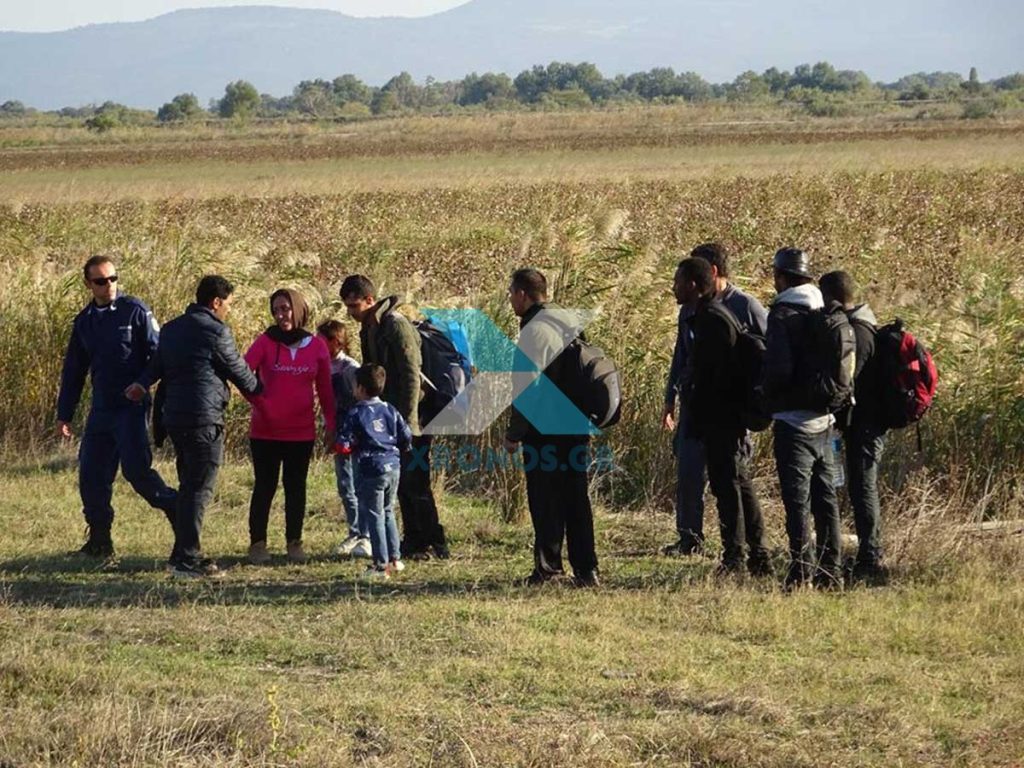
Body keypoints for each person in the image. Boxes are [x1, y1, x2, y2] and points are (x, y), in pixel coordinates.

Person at [126, 275, 261, 578]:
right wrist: (261, 388)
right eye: (227, 304)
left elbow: (156, 367)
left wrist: (140, 384)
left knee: (189, 485)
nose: (227, 310)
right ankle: (186, 559)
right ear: (215, 302)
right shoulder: (216, 330)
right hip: (204, 417)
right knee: (199, 488)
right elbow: (238, 371)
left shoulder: (172, 329)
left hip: (174, 417)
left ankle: (182, 553)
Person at [57, 254, 178, 559]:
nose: (108, 285)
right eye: (100, 281)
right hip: (101, 409)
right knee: (91, 476)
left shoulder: (134, 311)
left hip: (131, 408)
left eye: (113, 278)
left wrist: (142, 384)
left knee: (137, 472)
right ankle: (99, 542)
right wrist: (64, 414)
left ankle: (181, 516)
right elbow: (74, 370)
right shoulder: (84, 322)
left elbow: (159, 354)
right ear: (89, 284)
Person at [662, 243, 767, 556]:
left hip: (725, 414)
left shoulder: (740, 308)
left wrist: (751, 403)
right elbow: (682, 357)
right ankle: (689, 539)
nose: (673, 288)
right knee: (689, 473)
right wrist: (671, 397)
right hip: (697, 410)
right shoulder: (691, 312)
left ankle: (745, 551)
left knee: (733, 483)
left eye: (680, 279)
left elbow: (762, 356)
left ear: (710, 273)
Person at [339, 275, 449, 560]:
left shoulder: (395, 325)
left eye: (355, 305)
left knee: (416, 480)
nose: (351, 312)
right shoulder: (369, 328)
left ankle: (432, 542)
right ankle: (414, 539)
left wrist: (409, 424)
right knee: (402, 484)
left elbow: (412, 374)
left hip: (415, 415)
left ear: (370, 300)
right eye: (348, 307)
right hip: (390, 416)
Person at [503, 268, 600, 587]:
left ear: (522, 294)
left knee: (545, 501)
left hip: (544, 430)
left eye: (512, 294)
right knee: (576, 499)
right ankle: (587, 570)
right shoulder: (568, 322)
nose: (511, 301)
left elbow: (525, 387)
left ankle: (548, 570)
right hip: (575, 425)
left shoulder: (534, 331)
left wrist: (514, 433)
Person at [763, 247, 843, 589]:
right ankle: (832, 573)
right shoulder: (824, 308)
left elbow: (779, 368)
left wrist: (763, 391)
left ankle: (799, 575)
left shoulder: (782, 314)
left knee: (797, 504)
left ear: (782, 277)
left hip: (793, 423)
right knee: (827, 500)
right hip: (826, 421)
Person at [243, 289, 335, 565]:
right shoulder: (265, 342)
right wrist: (262, 403)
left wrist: (332, 424)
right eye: (276, 310)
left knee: (296, 487)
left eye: (286, 308)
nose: (281, 315)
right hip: (265, 430)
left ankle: (294, 541)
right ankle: (257, 543)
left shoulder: (317, 346)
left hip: (300, 432)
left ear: (298, 309)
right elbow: (242, 374)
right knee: (264, 486)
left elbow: (326, 390)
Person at [819, 270, 887, 583]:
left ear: (831, 297)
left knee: (863, 488)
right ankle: (864, 553)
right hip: (862, 424)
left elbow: (847, 381)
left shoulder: (859, 331)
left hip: (867, 426)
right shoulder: (862, 324)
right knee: (859, 487)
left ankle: (870, 558)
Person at [335, 364, 411, 580]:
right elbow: (405, 436)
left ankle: (380, 565)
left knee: (374, 514)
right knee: (388, 511)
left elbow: (343, 444)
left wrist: (348, 449)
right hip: (393, 466)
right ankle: (395, 558)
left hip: (371, 469)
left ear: (359, 388)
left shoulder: (356, 413)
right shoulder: (390, 410)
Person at [317, 319, 371, 559]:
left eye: (322, 340)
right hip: (337, 432)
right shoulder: (322, 365)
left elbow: (362, 402)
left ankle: (366, 536)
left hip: (355, 435)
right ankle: (354, 531)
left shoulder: (350, 368)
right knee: (344, 485)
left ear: (336, 341)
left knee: (360, 484)